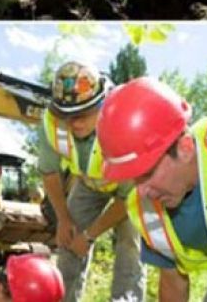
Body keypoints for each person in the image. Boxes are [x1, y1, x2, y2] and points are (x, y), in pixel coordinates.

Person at [98, 78, 207, 302]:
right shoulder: (144, 209)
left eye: (147, 173)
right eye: (134, 179)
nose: (143, 191)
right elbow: (172, 281)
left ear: (185, 148)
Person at [39, 62, 144, 301]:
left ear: (103, 104)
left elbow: (127, 199)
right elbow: (50, 173)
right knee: (68, 240)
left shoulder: (124, 124)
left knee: (129, 244)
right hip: (89, 183)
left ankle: (126, 298)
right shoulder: (50, 124)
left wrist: (89, 236)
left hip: (130, 188)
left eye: (83, 114)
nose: (74, 123)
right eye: (67, 116)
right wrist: (63, 220)